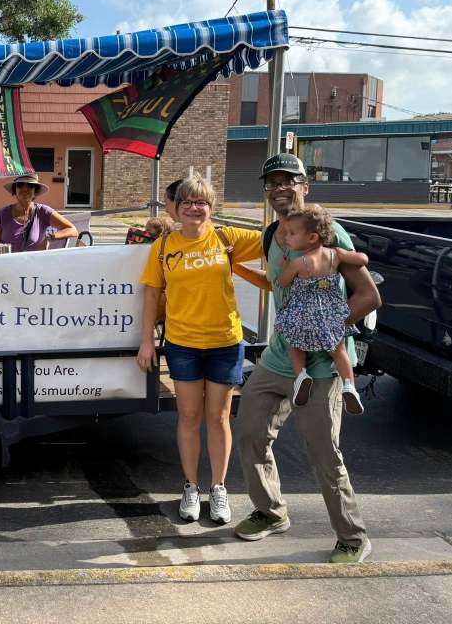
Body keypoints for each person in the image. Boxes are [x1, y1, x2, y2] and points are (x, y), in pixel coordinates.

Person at [234, 153, 380, 564]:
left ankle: (353, 537)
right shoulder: (271, 236)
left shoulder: (329, 234)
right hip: (280, 357)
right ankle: (270, 511)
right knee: (249, 432)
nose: (280, 187)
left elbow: (369, 296)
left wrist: (329, 329)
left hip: (324, 366)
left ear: (305, 186)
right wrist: (237, 269)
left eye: (289, 180)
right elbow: (279, 285)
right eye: (272, 182)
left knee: (322, 451)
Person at [136, 174, 262, 525]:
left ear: (211, 208)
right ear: (176, 208)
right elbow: (150, 294)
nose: (195, 208)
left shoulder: (227, 237)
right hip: (183, 345)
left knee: (219, 417)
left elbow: (279, 239)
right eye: (188, 202)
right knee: (189, 417)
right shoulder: (163, 246)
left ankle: (218, 489)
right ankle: (191, 487)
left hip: (224, 341)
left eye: (202, 202)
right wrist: (146, 340)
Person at [275, 204, 369, 414]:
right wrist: (360, 257)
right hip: (330, 314)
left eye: (292, 233)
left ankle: (301, 377)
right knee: (339, 351)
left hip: (302, 315)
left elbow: (282, 282)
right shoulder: (335, 254)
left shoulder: (300, 262)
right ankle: (349, 386)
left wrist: (283, 268)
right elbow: (362, 259)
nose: (287, 237)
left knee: (295, 344)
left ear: (311, 238)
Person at [0, 173, 78, 253]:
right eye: (20, 185)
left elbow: (72, 230)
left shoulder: (43, 212)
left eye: (30, 185)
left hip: (33, 269)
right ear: (15, 190)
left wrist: (50, 238)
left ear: (36, 191)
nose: (25, 189)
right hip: (8, 268)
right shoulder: (3, 214)